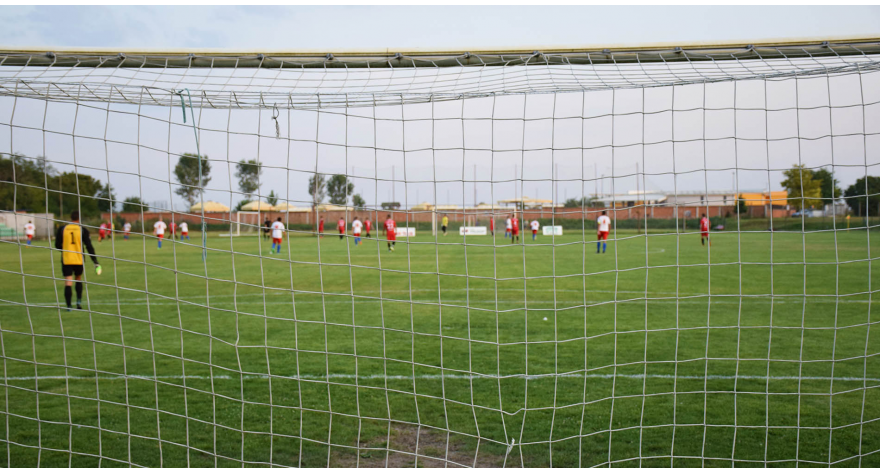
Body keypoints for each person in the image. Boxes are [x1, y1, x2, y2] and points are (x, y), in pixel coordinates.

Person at [55, 211, 100, 311]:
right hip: (79, 259)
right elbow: (89, 246)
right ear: (79, 219)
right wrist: (95, 261)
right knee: (78, 278)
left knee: (68, 281)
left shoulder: (62, 229)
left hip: (66, 259)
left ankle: (69, 306)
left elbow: (57, 245)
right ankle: (79, 302)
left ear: (71, 218)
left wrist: (66, 249)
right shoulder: (82, 230)